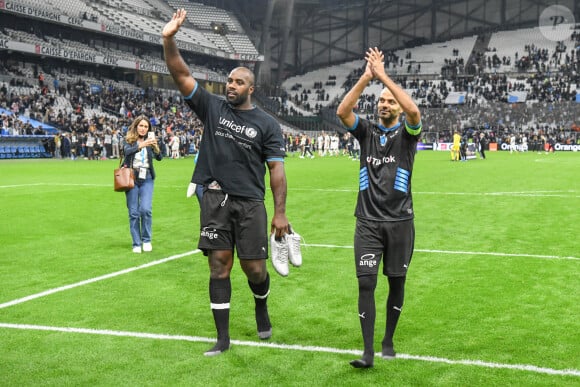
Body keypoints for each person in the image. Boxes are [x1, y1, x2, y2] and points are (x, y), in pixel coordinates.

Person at [162, 8, 290, 356]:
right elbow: (180, 73)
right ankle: (222, 339)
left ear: (251, 87)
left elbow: (277, 171)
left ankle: (261, 304)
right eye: (229, 81)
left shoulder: (267, 125)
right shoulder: (212, 107)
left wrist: (280, 213)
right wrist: (169, 38)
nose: (231, 86)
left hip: (250, 203)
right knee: (219, 264)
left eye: (238, 82)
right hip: (215, 199)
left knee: (255, 269)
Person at [336, 47, 422, 368]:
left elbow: (414, 113)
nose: (383, 104)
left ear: (397, 107)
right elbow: (343, 111)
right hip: (368, 222)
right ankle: (368, 351)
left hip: (400, 222)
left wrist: (384, 76)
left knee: (396, 282)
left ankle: (388, 338)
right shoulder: (366, 131)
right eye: (381, 100)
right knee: (366, 282)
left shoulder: (408, 134)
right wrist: (367, 77)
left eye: (390, 101)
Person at [122, 115, 163, 253]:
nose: (143, 129)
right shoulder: (129, 140)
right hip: (131, 177)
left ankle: (146, 240)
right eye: (141, 125)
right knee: (133, 212)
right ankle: (136, 243)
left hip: (147, 177)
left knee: (145, 209)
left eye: (146, 126)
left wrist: (156, 147)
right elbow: (127, 151)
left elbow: (159, 157)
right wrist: (141, 145)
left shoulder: (150, 141)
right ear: (136, 126)